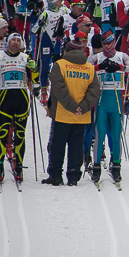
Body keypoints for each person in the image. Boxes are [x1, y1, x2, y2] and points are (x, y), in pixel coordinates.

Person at [0, 33, 40, 184]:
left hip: (21, 100)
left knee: (20, 134)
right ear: (8, 42)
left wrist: (35, 69)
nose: (15, 43)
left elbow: (35, 79)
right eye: (13, 40)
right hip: (4, 100)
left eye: (18, 40)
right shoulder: (0, 57)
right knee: (3, 133)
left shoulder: (26, 58)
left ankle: (18, 164)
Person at [44, 40, 101, 186]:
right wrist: (82, 107)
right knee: (76, 146)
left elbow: (58, 88)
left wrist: (71, 106)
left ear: (66, 51)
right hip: (81, 116)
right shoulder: (89, 68)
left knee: (57, 145)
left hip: (62, 114)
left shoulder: (60, 65)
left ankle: (56, 175)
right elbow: (95, 90)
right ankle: (74, 176)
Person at [87, 31, 129, 184]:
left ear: (114, 42)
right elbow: (85, 69)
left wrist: (119, 67)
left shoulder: (122, 56)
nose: (107, 46)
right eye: (104, 43)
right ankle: (96, 168)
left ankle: (116, 167)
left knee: (116, 135)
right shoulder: (96, 57)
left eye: (110, 42)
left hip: (117, 101)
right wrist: (99, 67)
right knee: (99, 135)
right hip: (101, 101)